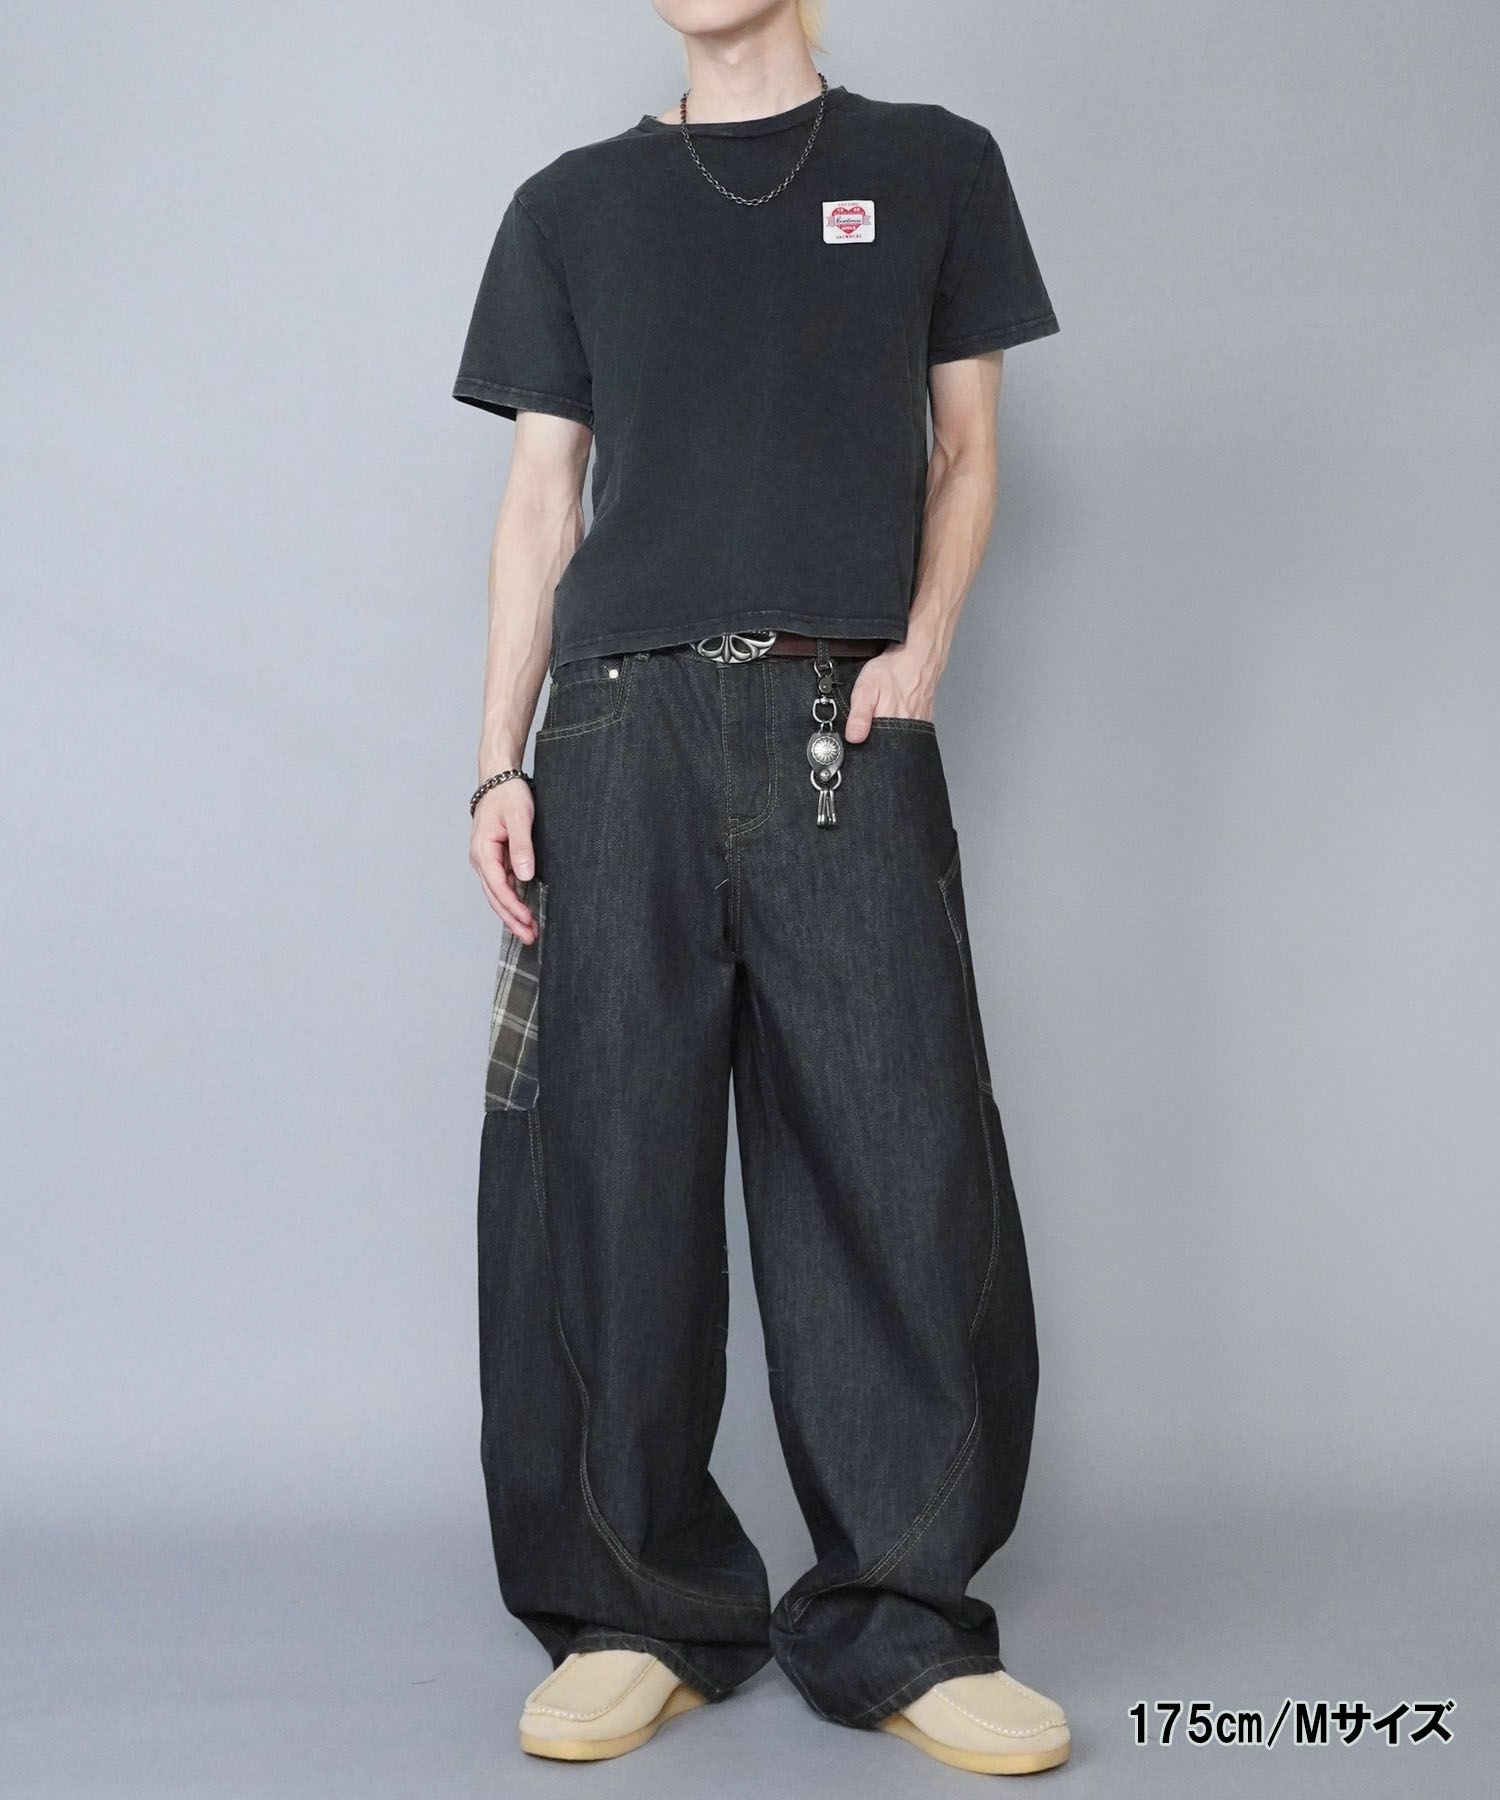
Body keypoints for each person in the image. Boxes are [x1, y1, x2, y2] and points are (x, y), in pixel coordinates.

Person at [454, 0, 1067, 1775]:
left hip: (840, 714)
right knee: (604, 1166)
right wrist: (499, 760)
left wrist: (920, 651)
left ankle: (901, 1619)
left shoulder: (934, 167)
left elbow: (969, 450)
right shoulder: (568, 206)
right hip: (616, 731)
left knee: (898, 1157)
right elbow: (541, 502)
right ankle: (639, 1610)